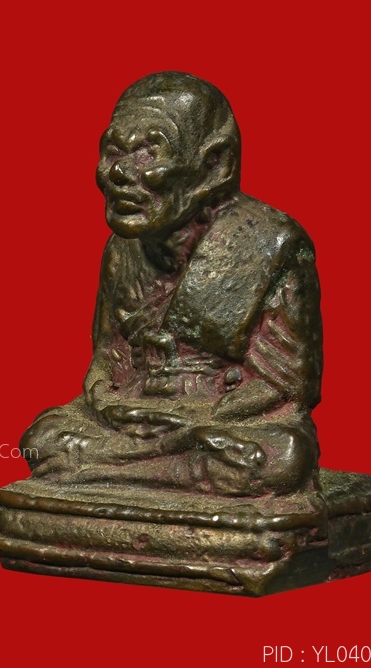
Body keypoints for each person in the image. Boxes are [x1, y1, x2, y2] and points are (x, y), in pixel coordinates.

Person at [22, 72, 322, 497]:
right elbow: (107, 364)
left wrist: (195, 419)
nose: (120, 172)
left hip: (216, 423)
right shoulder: (123, 250)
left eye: (149, 152)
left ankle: (102, 469)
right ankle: (142, 467)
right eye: (113, 152)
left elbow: (288, 389)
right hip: (134, 417)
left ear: (215, 165)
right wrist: (109, 403)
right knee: (42, 439)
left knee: (285, 457)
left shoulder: (268, 244)